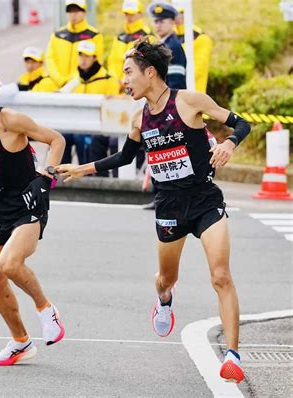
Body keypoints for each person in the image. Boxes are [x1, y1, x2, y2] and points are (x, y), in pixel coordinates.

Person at [56, 37, 251, 384]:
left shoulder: (188, 101)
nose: (125, 80)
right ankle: (164, 299)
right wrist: (81, 169)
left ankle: (233, 356)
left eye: (128, 72)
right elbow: (125, 158)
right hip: (169, 206)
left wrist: (228, 143)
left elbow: (241, 124)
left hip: (205, 199)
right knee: (167, 278)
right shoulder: (139, 119)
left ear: (150, 72)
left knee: (220, 276)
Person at [0, 60, 66, 366]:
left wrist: (45, 178)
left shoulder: (10, 121)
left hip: (28, 204)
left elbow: (57, 140)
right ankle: (21, 342)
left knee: (10, 264)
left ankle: (47, 310)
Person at [60, 40, 120, 175]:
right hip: (76, 125)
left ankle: (88, 176)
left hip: (100, 127)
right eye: (81, 55)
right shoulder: (74, 80)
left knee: (85, 139)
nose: (83, 60)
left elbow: (113, 108)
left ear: (94, 58)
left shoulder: (108, 79)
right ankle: (60, 177)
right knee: (60, 137)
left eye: (87, 56)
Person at [45, 0, 104, 88]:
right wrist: (59, 80)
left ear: (84, 12)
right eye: (70, 11)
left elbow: (97, 61)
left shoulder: (94, 35)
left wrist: (73, 81)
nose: (73, 14)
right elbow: (49, 59)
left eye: (76, 11)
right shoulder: (57, 35)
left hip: (82, 85)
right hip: (57, 85)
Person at [107, 0, 152, 91]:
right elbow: (112, 62)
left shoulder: (147, 36)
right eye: (126, 13)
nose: (129, 17)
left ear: (140, 14)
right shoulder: (119, 37)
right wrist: (115, 81)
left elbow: (145, 65)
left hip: (137, 88)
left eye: (132, 13)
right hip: (117, 87)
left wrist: (127, 81)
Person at [147, 2, 186, 90]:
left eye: (162, 21)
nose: (158, 25)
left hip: (169, 100)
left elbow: (176, 84)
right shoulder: (161, 45)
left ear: (172, 22)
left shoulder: (173, 47)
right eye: (156, 21)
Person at [174, 7, 213, 93]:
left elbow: (197, 70)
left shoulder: (200, 37)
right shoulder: (170, 36)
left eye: (179, 13)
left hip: (194, 95)